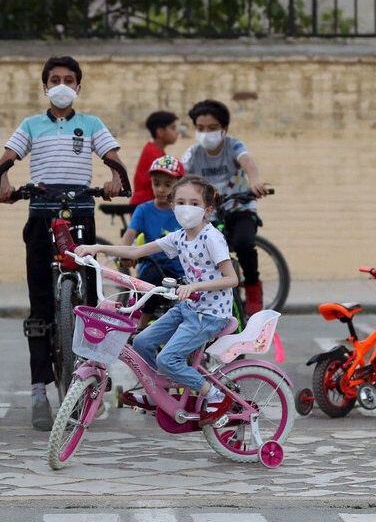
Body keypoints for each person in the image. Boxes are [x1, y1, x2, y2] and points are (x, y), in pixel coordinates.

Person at [0, 55, 125, 431]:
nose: (62, 85)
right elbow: (6, 160)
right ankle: (39, 390)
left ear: (78, 87)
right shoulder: (31, 125)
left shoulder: (92, 124)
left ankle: (93, 374)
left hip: (81, 215)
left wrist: (116, 178)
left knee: (91, 299)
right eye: (55, 80)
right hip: (41, 216)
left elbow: (114, 160)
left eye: (69, 79)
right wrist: (3, 182)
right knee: (39, 302)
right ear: (45, 87)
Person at [74, 174, 237, 422]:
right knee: (141, 342)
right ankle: (156, 391)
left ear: (207, 210)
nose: (187, 208)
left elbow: (231, 279)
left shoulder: (211, 238)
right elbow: (136, 251)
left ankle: (214, 395)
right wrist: (97, 248)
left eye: (194, 203)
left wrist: (194, 286)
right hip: (189, 308)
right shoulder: (179, 237)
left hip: (210, 314)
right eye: (181, 202)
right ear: (173, 206)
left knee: (167, 359)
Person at [181, 99, 269, 314]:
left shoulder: (234, 146)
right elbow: (181, 176)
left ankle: (253, 287)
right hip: (209, 213)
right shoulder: (193, 153)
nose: (205, 133)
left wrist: (254, 181)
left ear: (224, 129)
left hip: (239, 207)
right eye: (200, 128)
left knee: (244, 243)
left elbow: (248, 163)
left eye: (212, 128)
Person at [119, 155, 186, 328]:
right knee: (150, 282)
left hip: (182, 269)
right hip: (154, 265)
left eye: (167, 184)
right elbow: (129, 235)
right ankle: (140, 327)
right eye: (156, 183)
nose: (161, 189)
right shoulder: (144, 210)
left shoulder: (184, 211)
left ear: (179, 185)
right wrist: (124, 254)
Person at [129, 110, 180, 206]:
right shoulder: (153, 154)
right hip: (146, 204)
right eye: (173, 128)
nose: (176, 132)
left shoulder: (154, 151)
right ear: (160, 132)